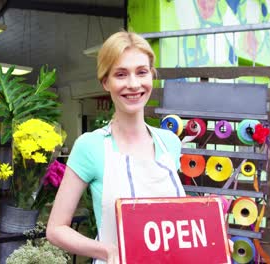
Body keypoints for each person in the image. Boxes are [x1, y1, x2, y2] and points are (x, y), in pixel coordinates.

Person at [46, 30, 186, 264]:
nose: (133, 84)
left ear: (151, 75)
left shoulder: (170, 143)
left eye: (141, 72)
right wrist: (108, 251)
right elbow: (56, 228)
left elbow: (175, 223)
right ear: (105, 82)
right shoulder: (90, 146)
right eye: (121, 74)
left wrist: (211, 240)